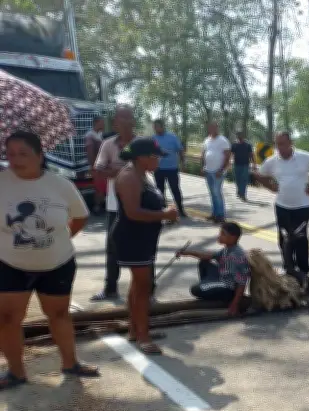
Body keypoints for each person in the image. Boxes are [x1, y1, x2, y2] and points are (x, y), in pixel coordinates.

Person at [0, 131, 100, 390]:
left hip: (57, 263)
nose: (15, 159)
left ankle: (70, 364)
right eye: (10, 153)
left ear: (40, 155)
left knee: (58, 314)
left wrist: (62, 239)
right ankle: (15, 372)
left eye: (23, 153)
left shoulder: (60, 184)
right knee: (8, 318)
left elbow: (79, 217)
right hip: (10, 265)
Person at [112, 138, 179, 355]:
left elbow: (148, 205)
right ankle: (143, 336)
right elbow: (133, 212)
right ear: (142, 157)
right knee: (143, 287)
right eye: (156, 157)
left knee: (139, 286)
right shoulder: (129, 176)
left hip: (145, 237)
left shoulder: (143, 175)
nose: (159, 161)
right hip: (133, 238)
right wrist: (164, 214)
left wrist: (165, 211)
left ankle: (135, 328)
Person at [252, 131, 309, 287]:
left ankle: (303, 270)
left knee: (300, 237)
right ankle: (289, 269)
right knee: (285, 238)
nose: (280, 148)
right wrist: (270, 186)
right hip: (282, 207)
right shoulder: (272, 161)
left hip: (302, 207)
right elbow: (258, 174)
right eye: (277, 144)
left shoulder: (304, 157)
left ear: (290, 143)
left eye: (283, 144)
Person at [90, 105, 137, 302]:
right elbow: (98, 171)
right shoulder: (108, 144)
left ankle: (147, 290)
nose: (124, 122)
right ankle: (110, 288)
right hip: (114, 204)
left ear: (133, 121)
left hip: (140, 204)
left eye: (128, 118)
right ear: (115, 122)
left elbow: (150, 169)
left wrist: (115, 169)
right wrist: (129, 170)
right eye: (120, 119)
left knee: (141, 249)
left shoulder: (142, 143)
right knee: (112, 248)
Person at [177, 222, 250, 316]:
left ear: (233, 237)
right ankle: (208, 289)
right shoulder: (227, 249)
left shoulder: (237, 255)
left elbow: (242, 282)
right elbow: (206, 256)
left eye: (223, 234)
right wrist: (187, 253)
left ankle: (215, 295)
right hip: (222, 277)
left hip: (229, 287)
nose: (219, 236)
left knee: (195, 289)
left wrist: (235, 304)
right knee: (204, 263)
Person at [152, 119, 186, 218]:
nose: (155, 129)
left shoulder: (172, 137)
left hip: (172, 169)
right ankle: (163, 210)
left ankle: (181, 210)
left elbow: (180, 150)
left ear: (162, 126)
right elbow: (150, 153)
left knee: (175, 189)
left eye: (157, 126)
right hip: (158, 169)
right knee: (160, 191)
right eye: (154, 127)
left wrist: (183, 163)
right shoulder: (153, 139)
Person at [201, 122, 231, 223]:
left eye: (214, 127)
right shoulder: (207, 140)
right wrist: (203, 166)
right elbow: (204, 153)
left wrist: (221, 170)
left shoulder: (223, 140)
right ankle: (214, 214)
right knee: (212, 193)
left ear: (217, 128)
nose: (212, 129)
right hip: (208, 171)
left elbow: (227, 157)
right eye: (210, 127)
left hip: (218, 171)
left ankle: (221, 215)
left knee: (217, 193)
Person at [85, 115, 106, 214]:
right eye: (102, 122)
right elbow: (90, 152)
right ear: (97, 123)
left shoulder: (100, 134)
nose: (104, 124)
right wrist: (93, 167)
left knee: (102, 186)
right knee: (98, 188)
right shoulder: (90, 135)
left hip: (102, 166)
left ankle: (101, 205)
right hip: (96, 166)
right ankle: (97, 208)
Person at [231, 131, 256, 201]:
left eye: (240, 135)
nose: (239, 136)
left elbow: (251, 154)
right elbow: (232, 154)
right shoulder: (234, 144)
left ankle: (243, 194)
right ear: (236, 136)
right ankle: (239, 191)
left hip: (245, 165)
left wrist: (254, 164)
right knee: (237, 179)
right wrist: (229, 163)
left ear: (243, 136)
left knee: (244, 180)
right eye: (238, 135)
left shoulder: (248, 145)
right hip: (236, 164)